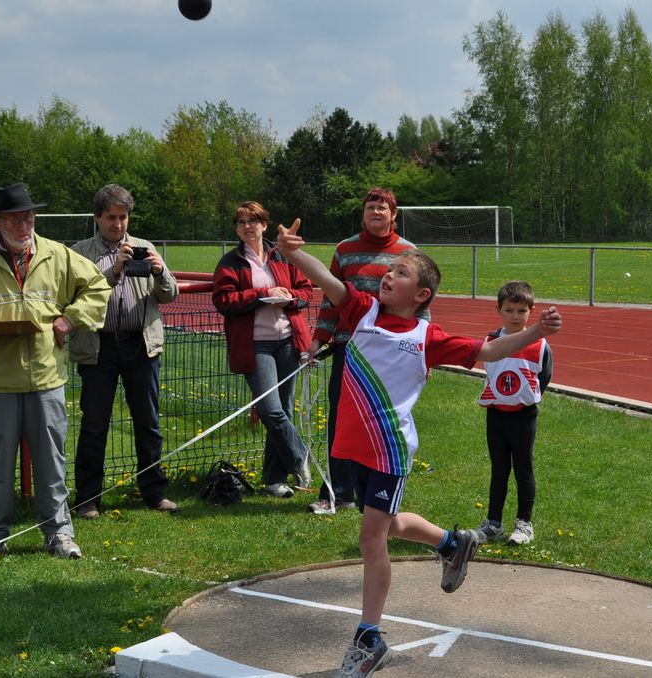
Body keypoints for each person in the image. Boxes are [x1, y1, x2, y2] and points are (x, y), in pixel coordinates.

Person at [276, 219, 562, 678]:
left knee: (371, 538)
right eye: (390, 270)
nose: (389, 274)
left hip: (388, 450)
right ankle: (453, 544)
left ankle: (369, 637)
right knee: (386, 526)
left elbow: (488, 351)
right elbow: (328, 281)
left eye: (402, 272)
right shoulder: (362, 311)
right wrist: (291, 253)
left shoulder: (425, 338)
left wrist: (534, 333)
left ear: (421, 295)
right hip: (353, 446)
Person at [0, 182, 110, 561]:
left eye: (29, 217)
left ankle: (59, 534)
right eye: (14, 218)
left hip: (45, 376)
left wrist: (71, 318)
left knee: (52, 462)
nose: (23, 224)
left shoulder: (57, 255)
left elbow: (98, 285)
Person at [307, 187, 424, 516]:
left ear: (393, 215)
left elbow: (422, 305)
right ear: (363, 213)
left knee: (385, 420)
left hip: (394, 351)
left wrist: (423, 352)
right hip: (351, 348)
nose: (376, 212)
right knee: (343, 419)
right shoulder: (345, 250)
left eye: (382, 208)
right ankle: (336, 491)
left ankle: (376, 490)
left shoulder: (409, 253)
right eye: (371, 207)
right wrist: (318, 339)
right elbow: (332, 300)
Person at [69, 184, 180, 518]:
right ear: (97, 218)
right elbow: (76, 297)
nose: (118, 225)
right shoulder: (81, 252)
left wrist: (160, 273)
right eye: (110, 218)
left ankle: (154, 492)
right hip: (98, 346)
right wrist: (114, 269)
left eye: (123, 217)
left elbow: (170, 294)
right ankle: (88, 498)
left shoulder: (145, 247)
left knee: (148, 423)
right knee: (94, 425)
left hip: (141, 344)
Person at [213, 201, 314, 498]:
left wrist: (289, 297)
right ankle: (300, 457)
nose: (248, 226)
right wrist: (262, 294)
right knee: (271, 410)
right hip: (254, 344)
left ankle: (273, 479)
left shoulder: (283, 256)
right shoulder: (230, 261)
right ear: (236, 228)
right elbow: (223, 300)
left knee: (282, 411)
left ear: (264, 225)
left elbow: (306, 291)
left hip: (288, 341)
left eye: (253, 221)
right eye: (241, 222)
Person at [474, 281, 554, 548]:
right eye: (509, 310)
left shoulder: (539, 345)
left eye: (522, 311)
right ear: (499, 310)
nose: (516, 316)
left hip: (523, 417)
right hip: (496, 415)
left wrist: (526, 399)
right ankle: (494, 523)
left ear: (531, 311)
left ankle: (524, 523)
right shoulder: (491, 341)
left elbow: (544, 376)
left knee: (523, 469)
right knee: (499, 469)